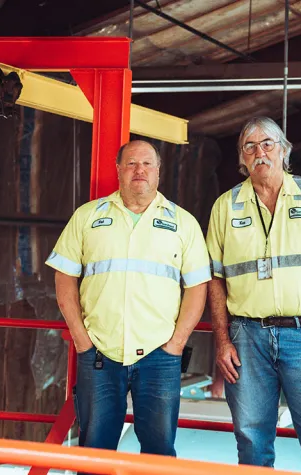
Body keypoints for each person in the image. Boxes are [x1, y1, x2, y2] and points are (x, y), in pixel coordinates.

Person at [206, 116, 301, 474]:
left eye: (267, 144)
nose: (259, 152)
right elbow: (214, 279)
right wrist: (222, 340)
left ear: (284, 151)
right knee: (251, 437)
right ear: (242, 159)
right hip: (246, 337)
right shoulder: (225, 206)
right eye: (250, 146)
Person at [45, 140, 210, 461]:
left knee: (159, 454)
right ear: (118, 169)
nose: (140, 170)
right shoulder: (87, 217)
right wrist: (81, 339)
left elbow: (197, 287)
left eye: (147, 164)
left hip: (159, 356)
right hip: (100, 355)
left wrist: (176, 343)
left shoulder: (183, 223)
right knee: (94, 452)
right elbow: (64, 277)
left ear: (159, 172)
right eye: (132, 163)